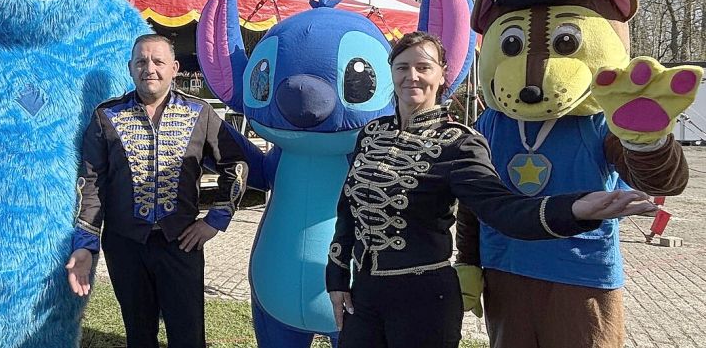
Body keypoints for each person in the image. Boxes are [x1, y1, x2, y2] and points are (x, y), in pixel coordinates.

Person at [325, 31, 658, 348]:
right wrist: (337, 277)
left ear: (442, 75)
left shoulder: (459, 142)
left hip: (423, 297)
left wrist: (575, 208)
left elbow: (502, 209)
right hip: (364, 295)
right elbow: (348, 209)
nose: (412, 76)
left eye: (423, 67)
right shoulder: (372, 134)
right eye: (402, 67)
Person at [66, 33, 248, 348]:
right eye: (141, 61)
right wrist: (85, 245)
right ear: (130, 68)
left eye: (158, 61)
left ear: (174, 68)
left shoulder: (200, 112)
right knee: (138, 333)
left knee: (188, 336)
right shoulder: (106, 115)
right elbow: (91, 183)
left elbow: (236, 165)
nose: (149, 68)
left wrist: (214, 220)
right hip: (125, 246)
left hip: (181, 243)